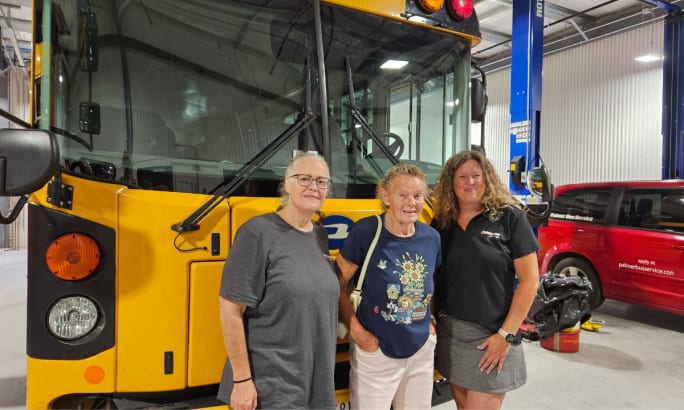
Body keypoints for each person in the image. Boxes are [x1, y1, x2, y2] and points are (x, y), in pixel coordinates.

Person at [217, 153, 338, 410]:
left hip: (316, 383)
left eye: (321, 182)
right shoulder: (257, 233)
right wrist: (242, 380)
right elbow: (230, 309)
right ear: (287, 183)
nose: (313, 187)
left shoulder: (319, 236)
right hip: (272, 386)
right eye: (304, 179)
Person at [431, 150, 540, 410]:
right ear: (451, 182)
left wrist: (506, 335)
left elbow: (529, 281)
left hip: (493, 335)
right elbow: (434, 277)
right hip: (452, 334)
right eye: (462, 177)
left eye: (476, 176)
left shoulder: (509, 217)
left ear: (486, 179)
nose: (470, 182)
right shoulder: (441, 223)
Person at [336, 162, 441, 410]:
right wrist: (358, 333)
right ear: (385, 196)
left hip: (420, 350)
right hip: (376, 352)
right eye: (402, 195)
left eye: (417, 196)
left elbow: (431, 281)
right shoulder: (366, 232)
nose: (411, 203)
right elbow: (336, 282)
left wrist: (430, 323)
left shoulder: (431, 237)